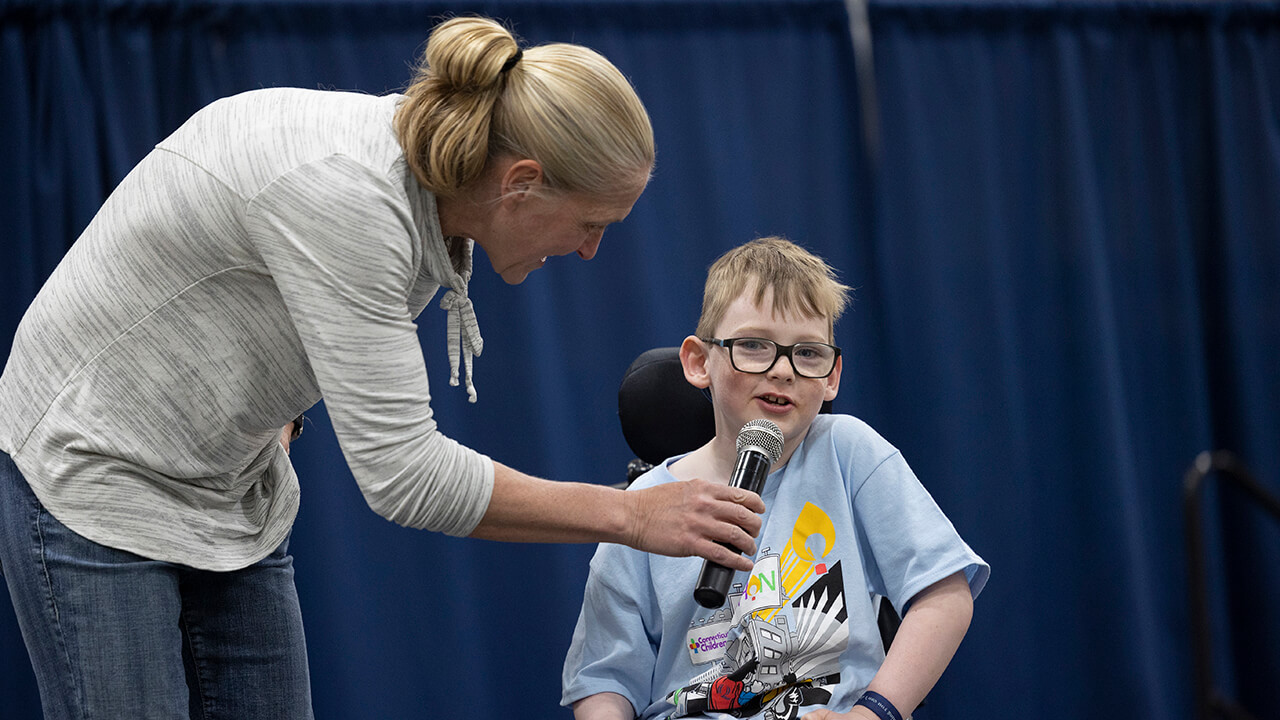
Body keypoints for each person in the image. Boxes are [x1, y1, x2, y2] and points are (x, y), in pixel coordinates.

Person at [0, 15, 766, 720]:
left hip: (231, 485)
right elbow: (406, 477)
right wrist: (632, 515)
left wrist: (275, 403)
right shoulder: (352, 195)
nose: (592, 249)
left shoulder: (435, 186)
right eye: (592, 224)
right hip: (94, 470)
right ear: (521, 183)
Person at [562, 237, 990, 720]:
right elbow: (604, 679)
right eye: (753, 346)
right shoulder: (642, 507)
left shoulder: (847, 452)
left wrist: (873, 713)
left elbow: (944, 594)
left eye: (808, 353)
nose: (783, 370)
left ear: (832, 377)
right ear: (700, 362)